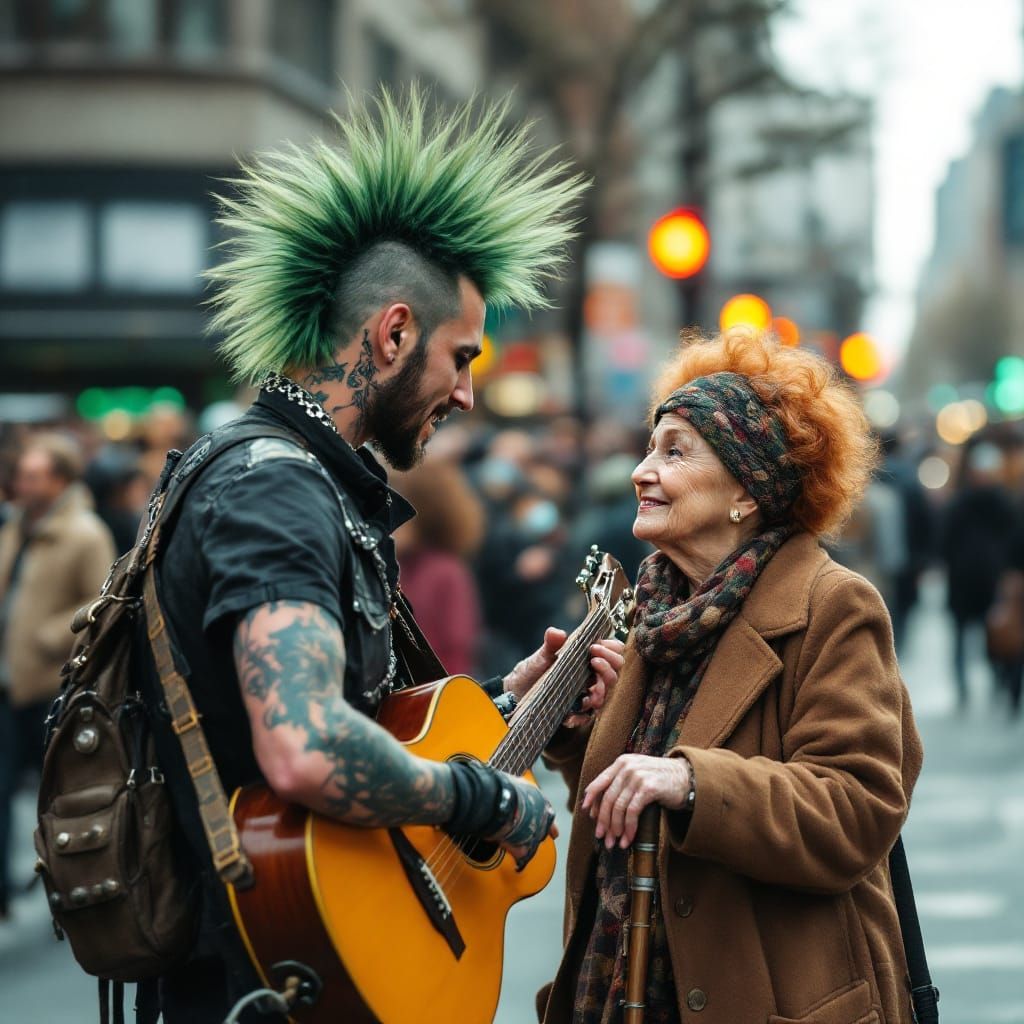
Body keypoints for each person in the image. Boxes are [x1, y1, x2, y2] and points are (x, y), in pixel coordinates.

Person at [147, 89, 623, 1022]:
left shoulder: (298, 481)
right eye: (462, 357)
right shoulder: (274, 488)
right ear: (393, 333)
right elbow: (305, 744)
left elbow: (352, 717)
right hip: (261, 979)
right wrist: (477, 800)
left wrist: (502, 708)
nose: (469, 394)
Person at [537, 328, 924, 1024]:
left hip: (776, 998)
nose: (641, 471)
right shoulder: (657, 610)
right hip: (623, 992)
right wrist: (584, 731)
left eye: (674, 451)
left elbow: (858, 807)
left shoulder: (833, 606)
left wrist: (692, 781)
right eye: (650, 446)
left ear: (747, 490)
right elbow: (626, 819)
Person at [0, 433, 115, 920]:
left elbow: (103, 603)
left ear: (60, 479)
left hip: (53, 685)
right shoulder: (14, 530)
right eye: (21, 475)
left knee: (63, 795)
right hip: (10, 684)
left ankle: (80, 880)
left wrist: (51, 634)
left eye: (33, 475)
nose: (22, 484)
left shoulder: (84, 533)